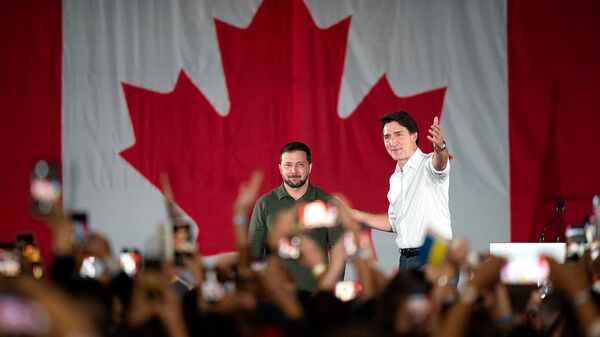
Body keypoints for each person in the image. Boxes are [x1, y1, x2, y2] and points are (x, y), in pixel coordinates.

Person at [353, 111, 452, 269]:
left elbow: (440, 163)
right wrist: (354, 215)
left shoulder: (428, 164)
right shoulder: (395, 178)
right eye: (387, 137)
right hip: (406, 259)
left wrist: (440, 147)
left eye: (398, 134)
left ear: (414, 135)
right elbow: (393, 223)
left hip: (434, 254)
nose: (392, 142)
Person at [248, 141, 343, 292]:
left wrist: (332, 294)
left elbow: (339, 250)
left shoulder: (327, 202)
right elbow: (254, 253)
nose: (294, 170)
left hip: (317, 295)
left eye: (300, 164)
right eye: (288, 165)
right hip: (278, 298)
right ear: (280, 168)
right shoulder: (264, 204)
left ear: (309, 167)